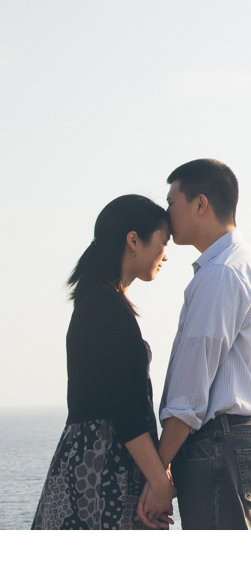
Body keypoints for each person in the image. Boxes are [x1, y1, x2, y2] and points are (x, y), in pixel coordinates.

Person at [146, 158, 251, 530]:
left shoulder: (221, 273)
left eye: (172, 202)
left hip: (221, 443)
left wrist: (157, 472)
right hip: (232, 440)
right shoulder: (238, 263)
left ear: (200, 204)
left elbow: (190, 391)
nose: (167, 214)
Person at [32, 194, 177, 530]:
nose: (165, 254)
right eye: (163, 241)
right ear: (133, 240)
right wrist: (159, 481)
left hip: (96, 460)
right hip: (101, 466)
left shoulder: (99, 301)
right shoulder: (104, 305)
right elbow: (124, 407)